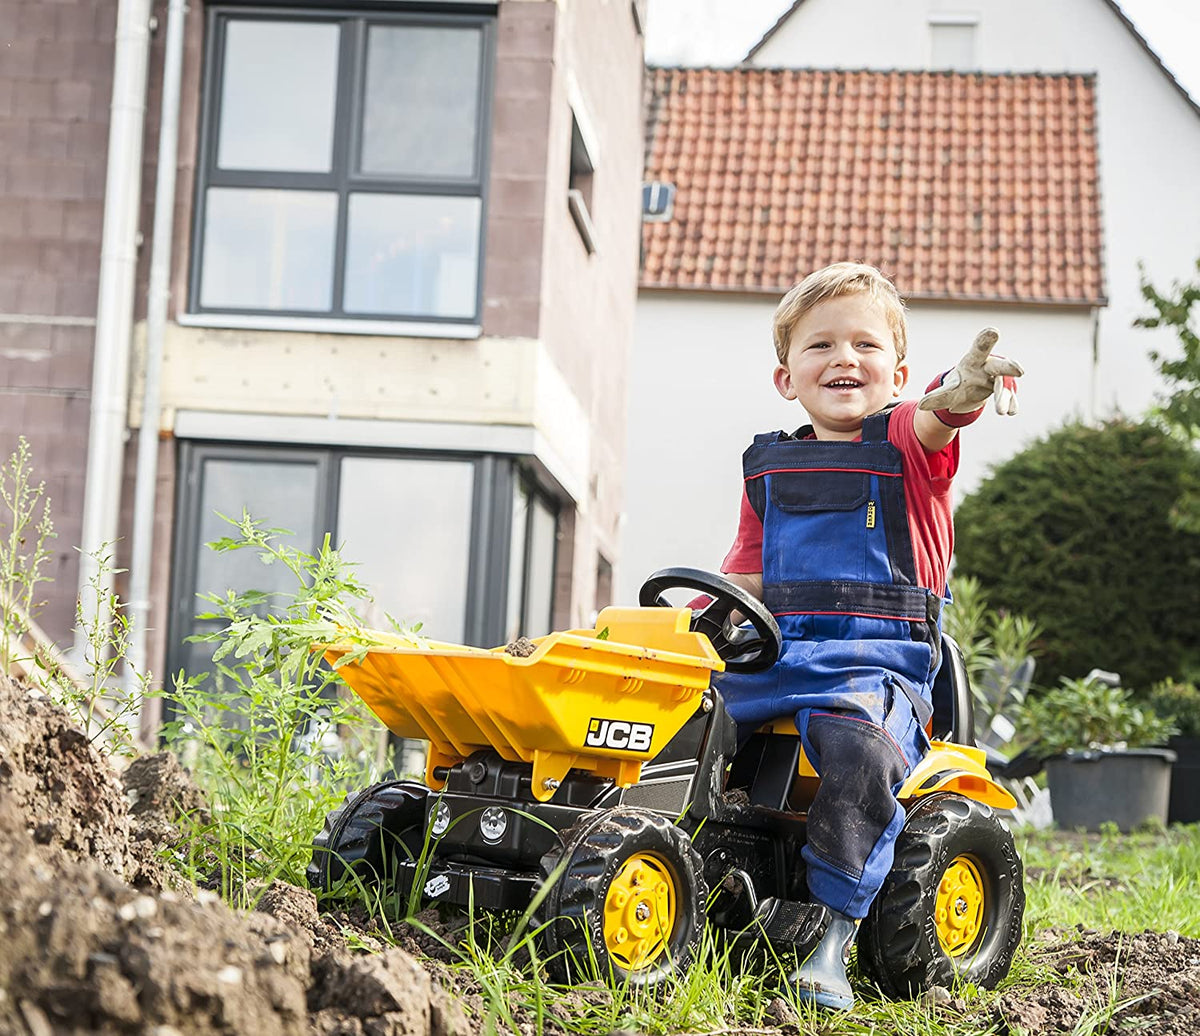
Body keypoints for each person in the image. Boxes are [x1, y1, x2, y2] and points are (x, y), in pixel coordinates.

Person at [714, 261, 1023, 1010]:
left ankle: (832, 937)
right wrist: (705, 612)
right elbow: (744, 571)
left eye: (865, 345)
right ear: (786, 377)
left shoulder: (906, 449)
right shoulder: (769, 472)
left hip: (875, 669)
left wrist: (962, 390)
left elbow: (938, 416)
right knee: (678, 719)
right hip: (778, 657)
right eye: (819, 346)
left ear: (899, 373)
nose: (844, 358)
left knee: (858, 752)